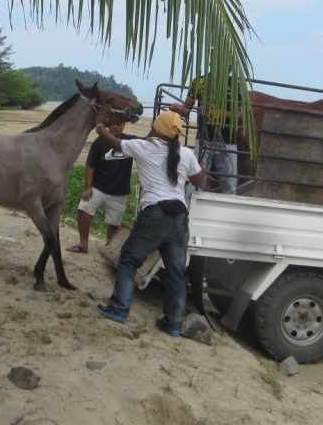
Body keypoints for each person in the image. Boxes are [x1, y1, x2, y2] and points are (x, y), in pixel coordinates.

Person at [93, 109, 206, 337]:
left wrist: (98, 124)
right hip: (179, 218)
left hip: (155, 214)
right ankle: (173, 324)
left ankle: (118, 309)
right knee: (176, 273)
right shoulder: (185, 153)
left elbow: (110, 140)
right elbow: (197, 179)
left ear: (157, 127)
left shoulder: (143, 147)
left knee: (128, 260)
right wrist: (202, 169)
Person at [66, 121, 138, 254]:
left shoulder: (129, 141)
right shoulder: (99, 142)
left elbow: (148, 140)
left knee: (114, 222)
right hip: (98, 187)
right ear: (107, 126)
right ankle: (83, 243)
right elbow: (90, 165)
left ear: (124, 125)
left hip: (119, 191)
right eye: (112, 124)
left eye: (119, 123)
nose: (115, 126)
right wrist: (88, 187)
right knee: (84, 208)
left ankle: (110, 248)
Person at [170, 68, 241, 195]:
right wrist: (178, 109)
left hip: (228, 141)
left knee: (230, 185)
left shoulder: (236, 84)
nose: (229, 68)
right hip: (203, 141)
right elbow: (186, 109)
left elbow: (242, 114)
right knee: (196, 181)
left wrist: (222, 114)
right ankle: (188, 211)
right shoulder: (199, 82)